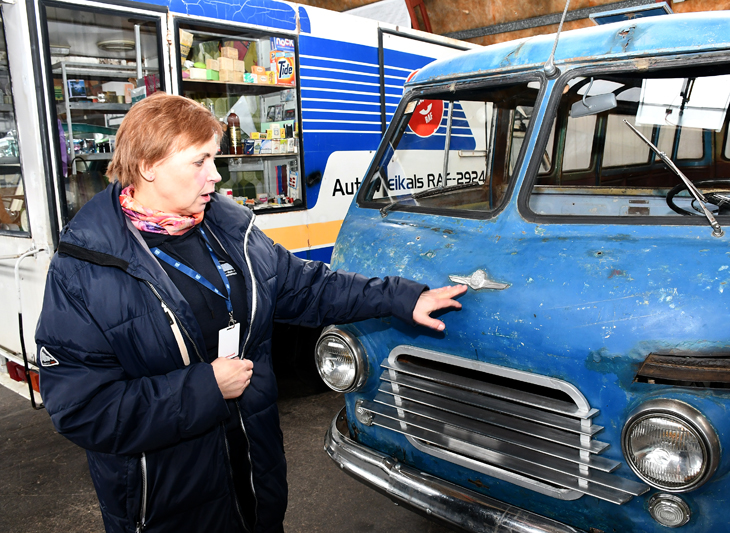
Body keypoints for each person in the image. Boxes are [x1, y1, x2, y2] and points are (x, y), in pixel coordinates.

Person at [35, 92, 466, 533]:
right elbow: (82, 408)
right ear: (148, 166)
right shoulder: (84, 269)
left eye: (214, 159)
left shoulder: (227, 227)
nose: (215, 175)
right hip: (168, 506)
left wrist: (403, 298)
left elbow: (308, 286)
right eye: (199, 161)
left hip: (254, 482)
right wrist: (205, 388)